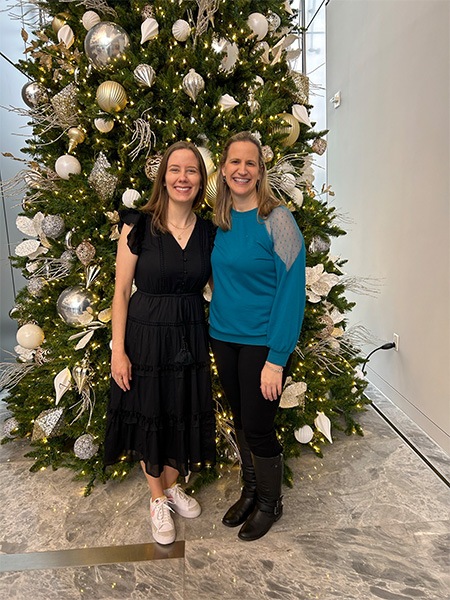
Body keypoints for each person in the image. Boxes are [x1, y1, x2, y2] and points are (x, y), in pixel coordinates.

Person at [104, 141, 216, 546]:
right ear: (163, 177)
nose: (182, 178)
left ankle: (171, 486)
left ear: (201, 180)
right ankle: (156, 499)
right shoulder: (138, 224)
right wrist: (119, 349)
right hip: (145, 332)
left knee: (181, 407)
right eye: (175, 170)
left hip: (189, 331)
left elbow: (218, 287)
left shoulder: (208, 231)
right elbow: (120, 292)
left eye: (191, 171)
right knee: (152, 410)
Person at [209, 131, 306, 541]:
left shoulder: (277, 219)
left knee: (260, 426)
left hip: (261, 342)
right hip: (222, 336)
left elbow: (292, 289)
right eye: (235, 162)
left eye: (251, 163)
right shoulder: (220, 219)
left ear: (261, 171)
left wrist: (277, 357)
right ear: (224, 168)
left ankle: (271, 503)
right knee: (242, 421)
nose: (242, 170)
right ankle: (251, 490)